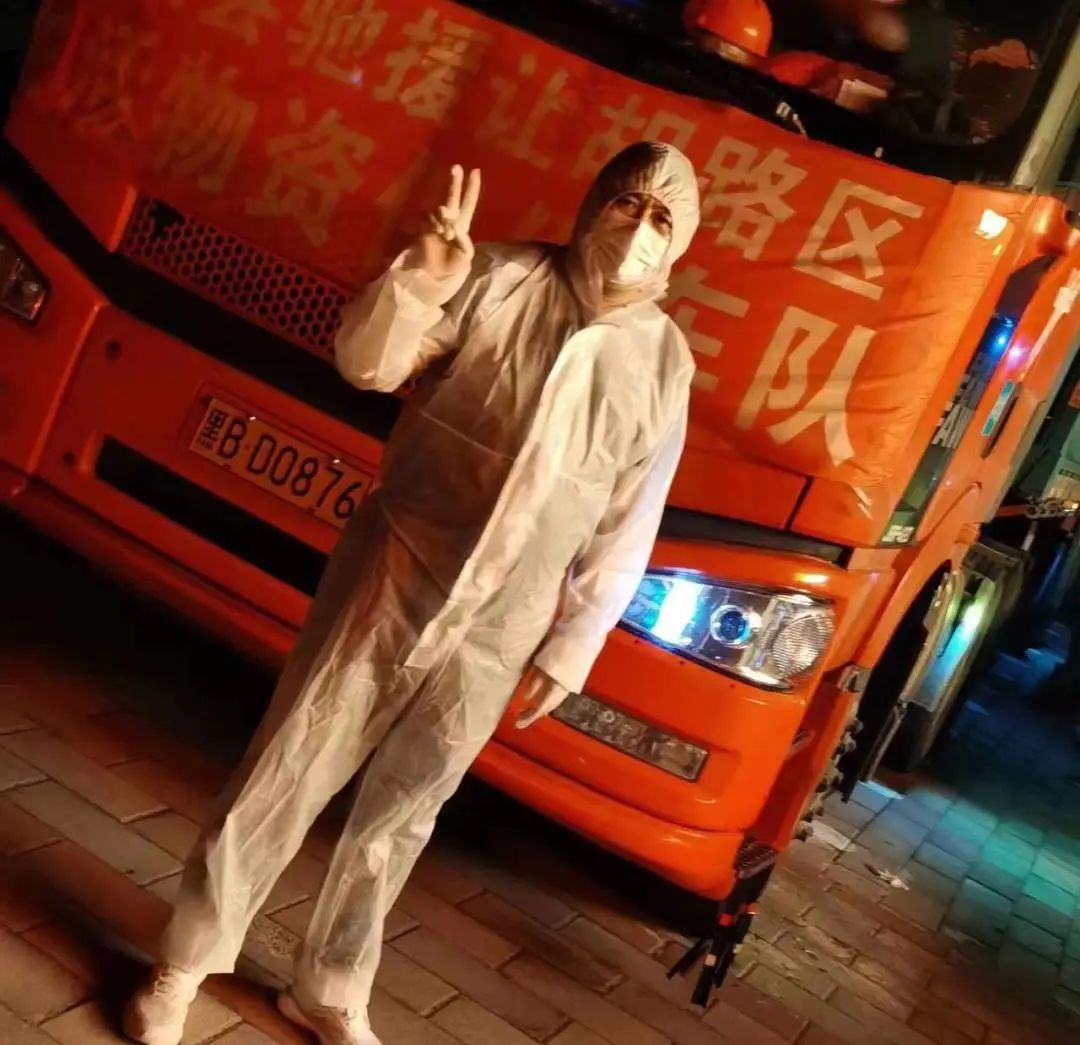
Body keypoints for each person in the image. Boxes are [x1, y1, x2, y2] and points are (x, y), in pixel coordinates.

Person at [122, 140, 700, 1045]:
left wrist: (571, 644)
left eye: (661, 216)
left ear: (682, 240)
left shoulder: (664, 363)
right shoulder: (501, 276)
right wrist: (423, 282)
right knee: (293, 756)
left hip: (505, 619)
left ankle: (329, 985)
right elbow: (368, 364)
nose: (638, 228)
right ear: (594, 202)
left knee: (405, 809)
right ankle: (186, 958)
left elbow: (632, 513)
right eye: (628, 202)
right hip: (397, 566)